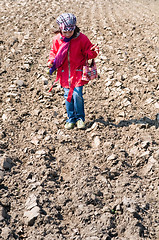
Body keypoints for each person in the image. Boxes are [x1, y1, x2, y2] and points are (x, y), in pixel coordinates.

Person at [48, 13, 99, 130]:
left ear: (74, 29)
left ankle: (80, 118)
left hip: (78, 71)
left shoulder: (81, 38)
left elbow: (89, 52)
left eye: (69, 32)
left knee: (77, 95)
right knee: (68, 96)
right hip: (64, 72)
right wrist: (51, 61)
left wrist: (93, 52)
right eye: (64, 32)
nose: (67, 34)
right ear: (60, 29)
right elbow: (53, 52)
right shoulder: (57, 39)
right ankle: (71, 119)